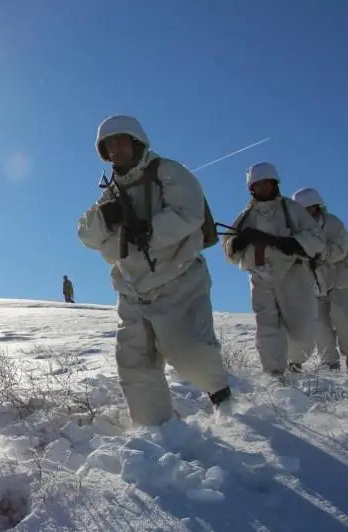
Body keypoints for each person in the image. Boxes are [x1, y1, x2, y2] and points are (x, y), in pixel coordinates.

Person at [77, 114, 231, 427]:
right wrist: (106, 218)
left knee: (189, 353)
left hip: (179, 279)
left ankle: (222, 396)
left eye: (120, 142)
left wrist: (148, 230)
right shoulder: (110, 194)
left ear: (136, 143)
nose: (115, 150)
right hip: (132, 289)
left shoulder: (169, 172)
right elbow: (88, 236)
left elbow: (190, 212)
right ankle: (155, 431)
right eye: (109, 146)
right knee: (134, 363)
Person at [221, 163, 324, 377]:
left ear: (274, 183)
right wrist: (238, 242)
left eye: (266, 183)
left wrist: (282, 242)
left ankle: (296, 362)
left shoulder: (292, 209)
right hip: (259, 275)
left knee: (300, 330)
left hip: (292, 274)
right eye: (257, 185)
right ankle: (274, 373)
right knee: (266, 327)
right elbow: (228, 245)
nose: (262, 188)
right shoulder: (245, 216)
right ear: (251, 188)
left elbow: (315, 238)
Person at [292, 187, 348, 370]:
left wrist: (314, 252)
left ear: (317, 206)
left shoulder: (333, 224)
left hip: (340, 280)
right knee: (319, 325)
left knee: (345, 319)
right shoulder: (296, 231)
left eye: (309, 208)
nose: (307, 213)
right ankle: (329, 362)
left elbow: (339, 251)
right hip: (314, 285)